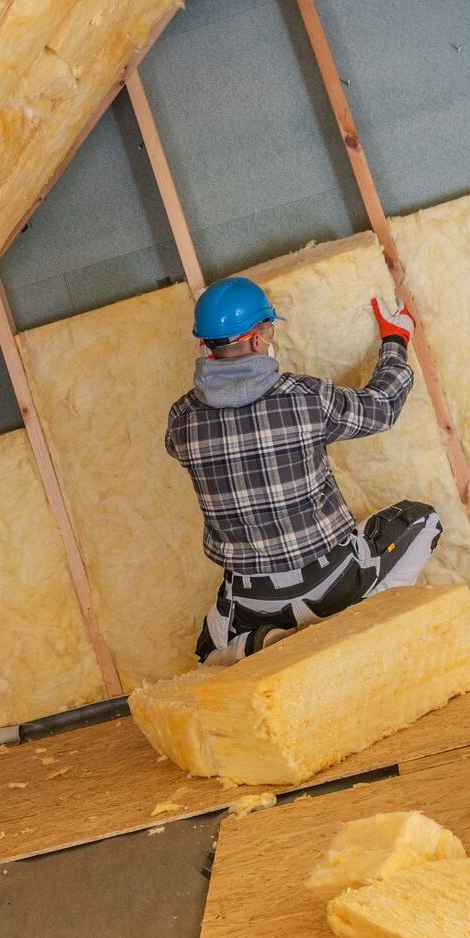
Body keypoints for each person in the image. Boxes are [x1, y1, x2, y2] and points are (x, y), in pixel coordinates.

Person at [164, 275, 441, 665]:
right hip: (331, 578)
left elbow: (185, 447)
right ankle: (362, 612)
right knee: (423, 519)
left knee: (207, 653)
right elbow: (382, 406)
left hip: (255, 597)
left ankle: (256, 643)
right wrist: (395, 339)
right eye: (269, 328)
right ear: (259, 339)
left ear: (203, 344)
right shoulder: (304, 399)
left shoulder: (181, 420)